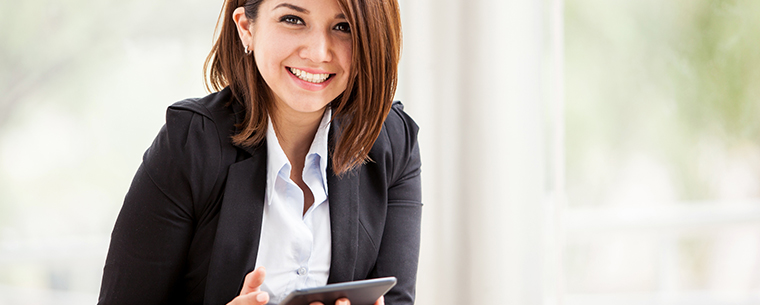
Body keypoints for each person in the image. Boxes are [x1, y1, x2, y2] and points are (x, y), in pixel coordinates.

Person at [97, 0, 421, 304]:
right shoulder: (190, 144)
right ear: (246, 28)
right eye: (293, 19)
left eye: (344, 26)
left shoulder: (391, 140)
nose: (318, 53)